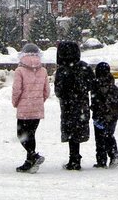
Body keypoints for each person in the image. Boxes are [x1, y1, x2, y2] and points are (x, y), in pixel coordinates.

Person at [53, 40, 94, 170]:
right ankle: (76, 157)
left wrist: (66, 95)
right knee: (78, 129)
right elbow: (92, 84)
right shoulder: (84, 67)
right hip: (81, 104)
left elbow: (58, 90)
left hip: (67, 105)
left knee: (70, 131)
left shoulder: (61, 70)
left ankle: (74, 158)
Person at [10, 42, 50, 173]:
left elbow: (17, 90)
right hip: (37, 108)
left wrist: (16, 102)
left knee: (22, 134)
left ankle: (34, 156)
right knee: (31, 134)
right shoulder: (43, 70)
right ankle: (30, 162)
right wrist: (39, 101)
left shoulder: (19, 70)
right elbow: (47, 91)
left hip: (24, 108)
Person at [90, 61, 118, 168]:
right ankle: (113, 154)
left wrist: (94, 109)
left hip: (99, 116)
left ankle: (102, 160)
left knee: (100, 139)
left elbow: (96, 101)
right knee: (109, 135)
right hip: (112, 116)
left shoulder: (96, 84)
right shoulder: (113, 86)